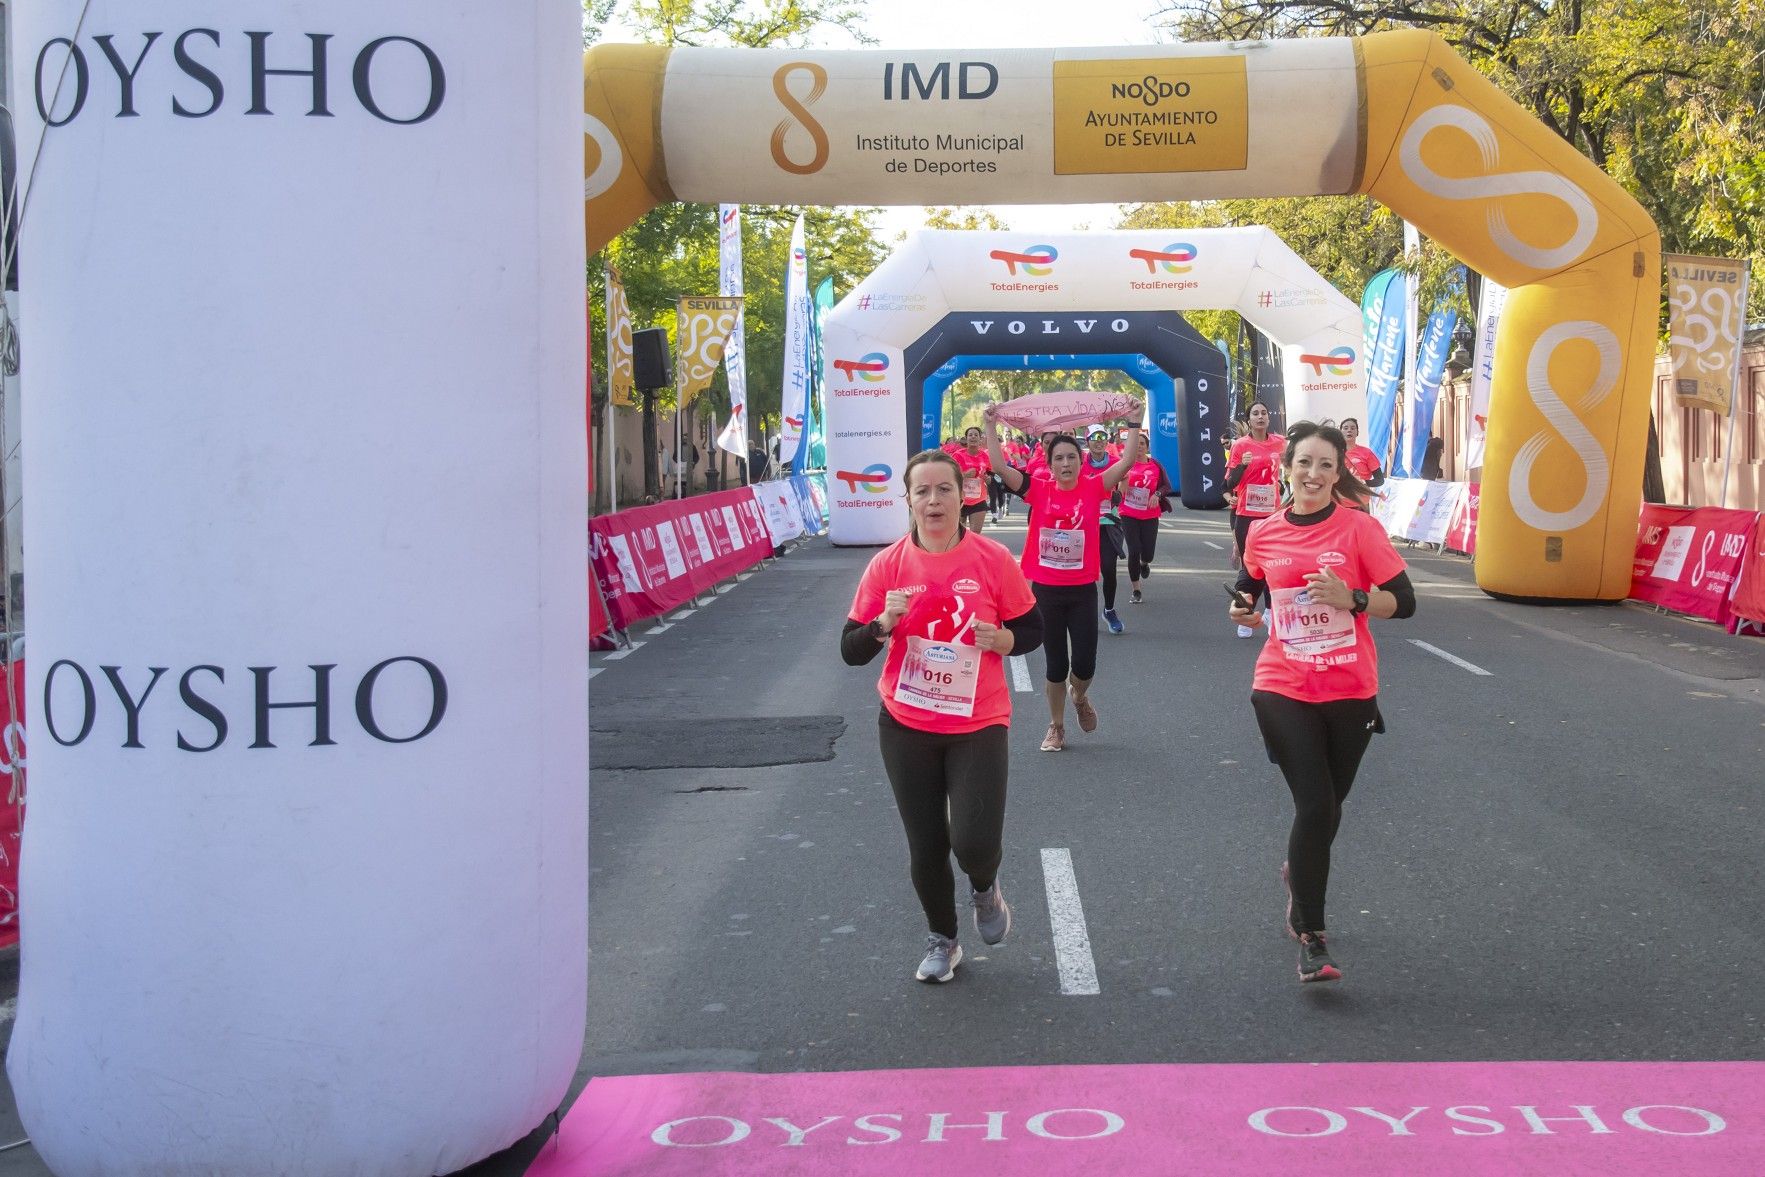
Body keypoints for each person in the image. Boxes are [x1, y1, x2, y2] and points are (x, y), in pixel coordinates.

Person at [841, 449, 1044, 983]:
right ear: (908, 499)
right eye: (922, 491)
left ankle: (984, 886)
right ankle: (943, 939)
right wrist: (882, 624)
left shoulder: (993, 560)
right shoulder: (887, 565)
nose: (933, 500)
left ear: (963, 495)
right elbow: (851, 649)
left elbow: (1032, 628)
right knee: (926, 842)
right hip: (906, 723)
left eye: (944, 490)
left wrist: (1003, 639)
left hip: (977, 722)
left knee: (973, 841)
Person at [1227, 421, 1416, 984]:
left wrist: (1354, 597)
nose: (1313, 474)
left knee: (1330, 808)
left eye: (1326, 466)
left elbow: (1403, 603)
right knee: (1314, 806)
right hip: (1282, 683)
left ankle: (1299, 876)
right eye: (1304, 463)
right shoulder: (1264, 531)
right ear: (1287, 467)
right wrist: (1242, 608)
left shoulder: (1359, 529)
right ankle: (1312, 936)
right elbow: (1249, 585)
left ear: (1339, 474)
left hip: (1350, 689)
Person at [986, 407, 1139, 752]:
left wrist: (1134, 421)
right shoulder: (1038, 490)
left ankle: (1079, 696)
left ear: (1080, 462)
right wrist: (990, 425)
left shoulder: (1093, 488)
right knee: (1056, 665)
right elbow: (999, 467)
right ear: (1050, 462)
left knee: (1084, 665)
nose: (1066, 463)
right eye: (1059, 458)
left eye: (1072, 457)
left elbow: (1127, 462)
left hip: (1082, 590)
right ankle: (1056, 726)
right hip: (1046, 591)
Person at [1224, 401, 1284, 637]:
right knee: (1251, 566)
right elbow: (1228, 483)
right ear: (1249, 420)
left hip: (1273, 513)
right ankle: (1245, 611)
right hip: (1247, 514)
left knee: (1274, 565)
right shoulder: (1240, 445)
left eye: (1264, 413)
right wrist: (1242, 466)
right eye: (1255, 414)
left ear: (1268, 418)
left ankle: (1270, 611)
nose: (1260, 417)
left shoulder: (1280, 443)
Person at [1116, 430, 1170, 605]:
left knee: (1148, 553)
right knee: (1134, 549)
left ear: (1147, 447)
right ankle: (1136, 589)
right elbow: (1113, 485)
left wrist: (1157, 495)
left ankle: (1144, 563)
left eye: (1142, 444)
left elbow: (1166, 486)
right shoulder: (1124, 465)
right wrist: (1120, 485)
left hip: (1149, 513)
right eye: (1135, 444)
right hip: (1128, 512)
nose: (1138, 447)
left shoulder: (1155, 465)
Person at [1083, 429, 1128, 634]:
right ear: (1088, 441)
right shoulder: (1080, 462)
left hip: (1109, 523)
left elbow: (1125, 478)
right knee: (1084, 572)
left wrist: (1119, 493)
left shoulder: (1115, 462)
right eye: (1095, 438)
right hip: (1083, 524)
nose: (1099, 442)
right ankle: (1085, 612)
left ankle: (1109, 610)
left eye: (1102, 437)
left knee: (1108, 568)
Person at [952, 426, 992, 533]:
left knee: (976, 536)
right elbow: (950, 476)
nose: (973, 437)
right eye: (970, 435)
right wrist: (964, 475)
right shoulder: (958, 455)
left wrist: (988, 479)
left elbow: (990, 476)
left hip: (978, 499)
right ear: (966, 438)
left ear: (980, 439)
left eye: (976, 435)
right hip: (960, 499)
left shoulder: (985, 456)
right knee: (958, 535)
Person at [1340, 417, 1385, 511]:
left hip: (1361, 504)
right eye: (1345, 428)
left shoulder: (1366, 453)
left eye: (1353, 428)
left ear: (1357, 432)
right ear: (1340, 432)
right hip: (1338, 504)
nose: (1349, 430)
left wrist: (1362, 484)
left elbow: (1380, 480)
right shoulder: (1333, 452)